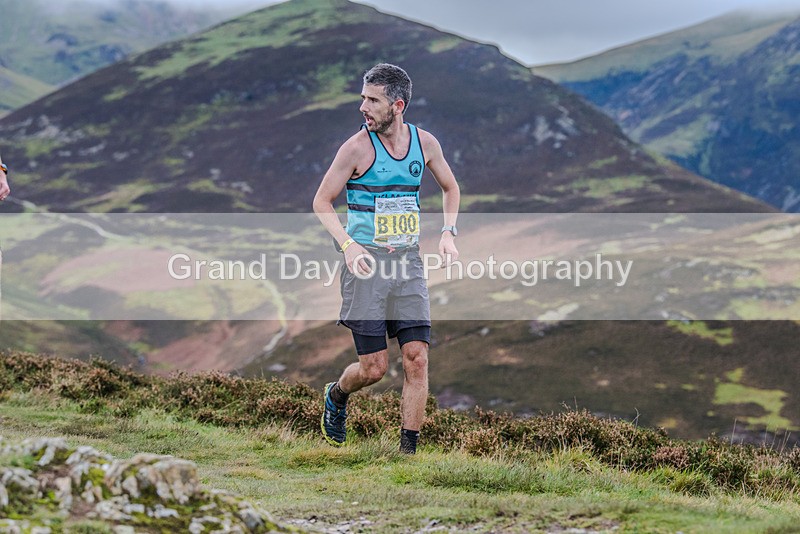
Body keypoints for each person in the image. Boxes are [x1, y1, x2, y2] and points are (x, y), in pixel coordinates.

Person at [312, 63, 460, 454]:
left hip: (408, 264)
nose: (363, 106)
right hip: (365, 266)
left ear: (397, 105)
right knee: (374, 369)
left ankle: (407, 455)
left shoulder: (425, 143)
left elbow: (450, 188)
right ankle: (338, 395)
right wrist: (348, 245)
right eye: (363, 97)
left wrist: (448, 232)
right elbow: (322, 202)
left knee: (416, 359)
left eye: (372, 100)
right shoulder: (355, 148)